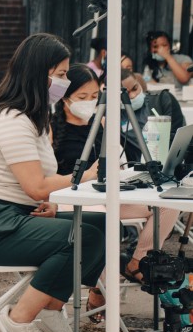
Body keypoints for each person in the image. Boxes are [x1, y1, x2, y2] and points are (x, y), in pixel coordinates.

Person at [0, 33, 105, 332]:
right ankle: (20, 318)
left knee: (102, 225)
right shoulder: (12, 118)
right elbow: (36, 185)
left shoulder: (33, 118)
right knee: (80, 235)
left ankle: (51, 307)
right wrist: (87, 175)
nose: (64, 81)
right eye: (61, 74)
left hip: (13, 215)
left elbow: (33, 189)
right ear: (39, 73)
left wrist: (51, 202)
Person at [51, 64, 178, 307]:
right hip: (70, 198)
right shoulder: (53, 128)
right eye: (82, 97)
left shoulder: (99, 123)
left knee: (167, 205)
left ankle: (138, 262)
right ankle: (100, 291)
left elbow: (117, 161)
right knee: (103, 221)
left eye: (94, 96)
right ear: (66, 98)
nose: (89, 102)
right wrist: (87, 175)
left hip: (104, 193)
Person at [118, 67, 186, 163]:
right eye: (126, 94)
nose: (133, 95)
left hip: (170, 164)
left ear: (138, 82)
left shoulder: (162, 100)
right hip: (137, 170)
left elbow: (177, 139)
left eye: (135, 88)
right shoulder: (116, 117)